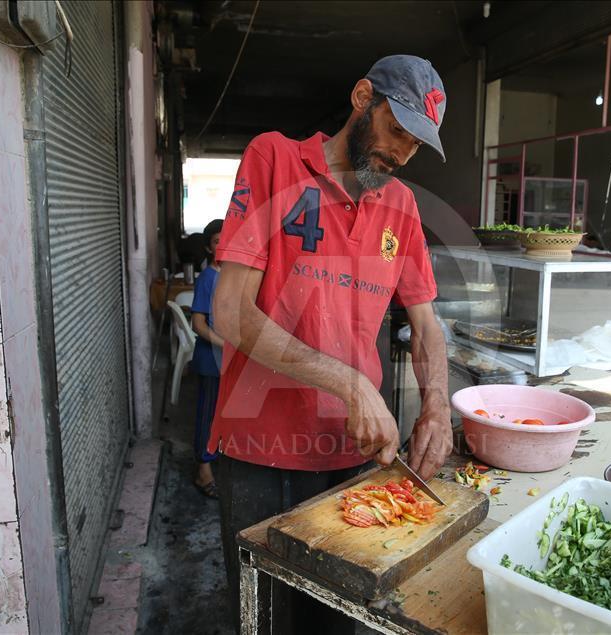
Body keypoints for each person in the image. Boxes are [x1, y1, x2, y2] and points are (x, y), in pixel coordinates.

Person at [209, 55, 453, 632]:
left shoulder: (402, 207)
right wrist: (350, 382)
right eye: (397, 130)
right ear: (363, 97)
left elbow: (426, 326)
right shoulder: (273, 158)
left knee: (340, 621)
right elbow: (228, 312)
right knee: (263, 617)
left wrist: (437, 406)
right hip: (259, 452)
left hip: (352, 455)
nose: (400, 155)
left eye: (417, 145)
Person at [190, 219, 225, 498]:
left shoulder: (237, 276)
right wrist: (224, 343)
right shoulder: (207, 278)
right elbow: (198, 324)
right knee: (207, 414)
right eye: (217, 241)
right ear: (208, 247)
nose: (223, 245)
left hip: (231, 362)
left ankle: (217, 462)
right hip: (210, 360)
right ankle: (203, 470)